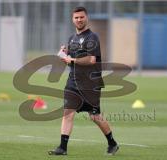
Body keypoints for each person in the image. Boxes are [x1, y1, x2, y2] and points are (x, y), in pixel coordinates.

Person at [48, 6, 119, 156]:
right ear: (72, 19)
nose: (79, 20)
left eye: (81, 17)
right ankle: (62, 148)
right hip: (73, 81)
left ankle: (112, 143)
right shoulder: (72, 38)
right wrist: (65, 54)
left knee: (94, 116)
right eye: (76, 18)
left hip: (90, 83)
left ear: (86, 18)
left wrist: (72, 59)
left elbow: (91, 60)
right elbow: (72, 60)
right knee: (68, 113)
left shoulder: (92, 38)